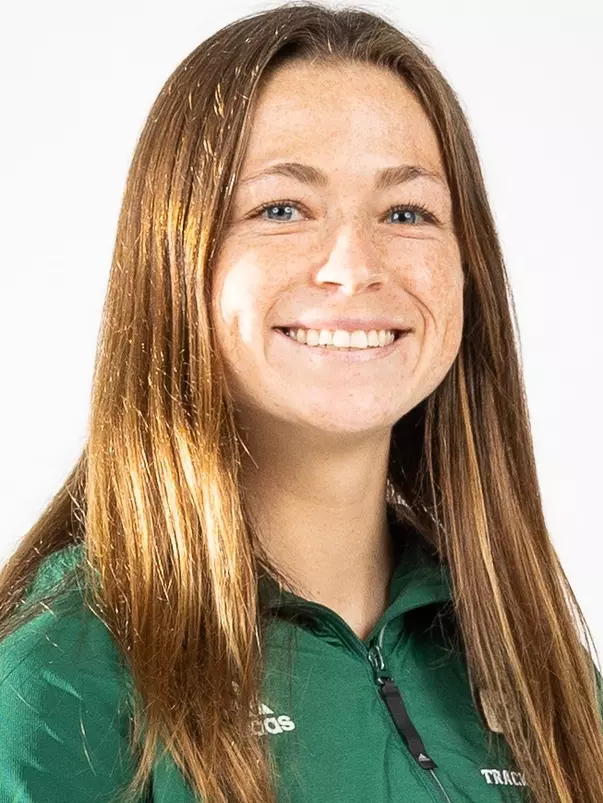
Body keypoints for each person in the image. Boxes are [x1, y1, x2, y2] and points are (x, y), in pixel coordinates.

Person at [0, 2, 601, 802]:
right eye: (280, 209)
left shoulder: (532, 661)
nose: (352, 266)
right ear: (175, 267)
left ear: (468, 273)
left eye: (406, 211)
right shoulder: (59, 677)